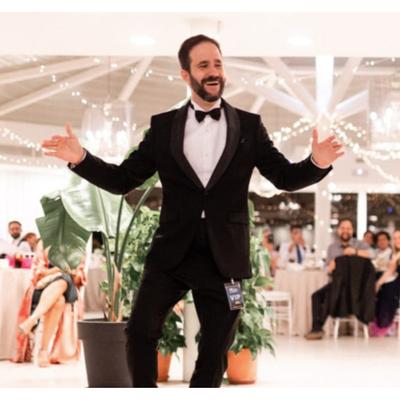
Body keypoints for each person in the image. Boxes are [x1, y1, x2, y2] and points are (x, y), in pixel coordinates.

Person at [41, 34, 343, 387]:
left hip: (224, 258)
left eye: (218, 63)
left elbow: (284, 177)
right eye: (203, 65)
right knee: (139, 332)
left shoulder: (249, 126)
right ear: (185, 74)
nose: (213, 72)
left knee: (215, 348)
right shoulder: (163, 127)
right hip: (171, 252)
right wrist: (80, 158)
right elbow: (123, 180)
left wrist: (317, 163)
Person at [12, 240, 86, 367]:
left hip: (68, 290)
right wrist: (63, 269)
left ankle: (33, 319)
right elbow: (38, 272)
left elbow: (78, 275)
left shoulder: (76, 244)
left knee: (63, 281)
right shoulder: (44, 243)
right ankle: (43, 351)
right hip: (43, 288)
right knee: (59, 301)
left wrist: (55, 270)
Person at [305, 219, 374, 340]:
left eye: (348, 228)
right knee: (316, 296)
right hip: (337, 283)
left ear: (352, 230)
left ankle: (317, 329)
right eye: (343, 228)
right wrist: (329, 268)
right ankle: (316, 327)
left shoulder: (360, 245)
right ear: (338, 230)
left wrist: (355, 252)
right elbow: (326, 267)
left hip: (356, 288)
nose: (345, 231)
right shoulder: (332, 248)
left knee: (330, 295)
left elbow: (373, 254)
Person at [371, 230, 400, 336]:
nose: (397, 240)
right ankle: (383, 320)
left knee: (389, 289)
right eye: (395, 238)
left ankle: (386, 321)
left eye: (399, 238)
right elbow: (390, 271)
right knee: (383, 289)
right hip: (395, 282)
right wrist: (378, 284)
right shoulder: (395, 254)